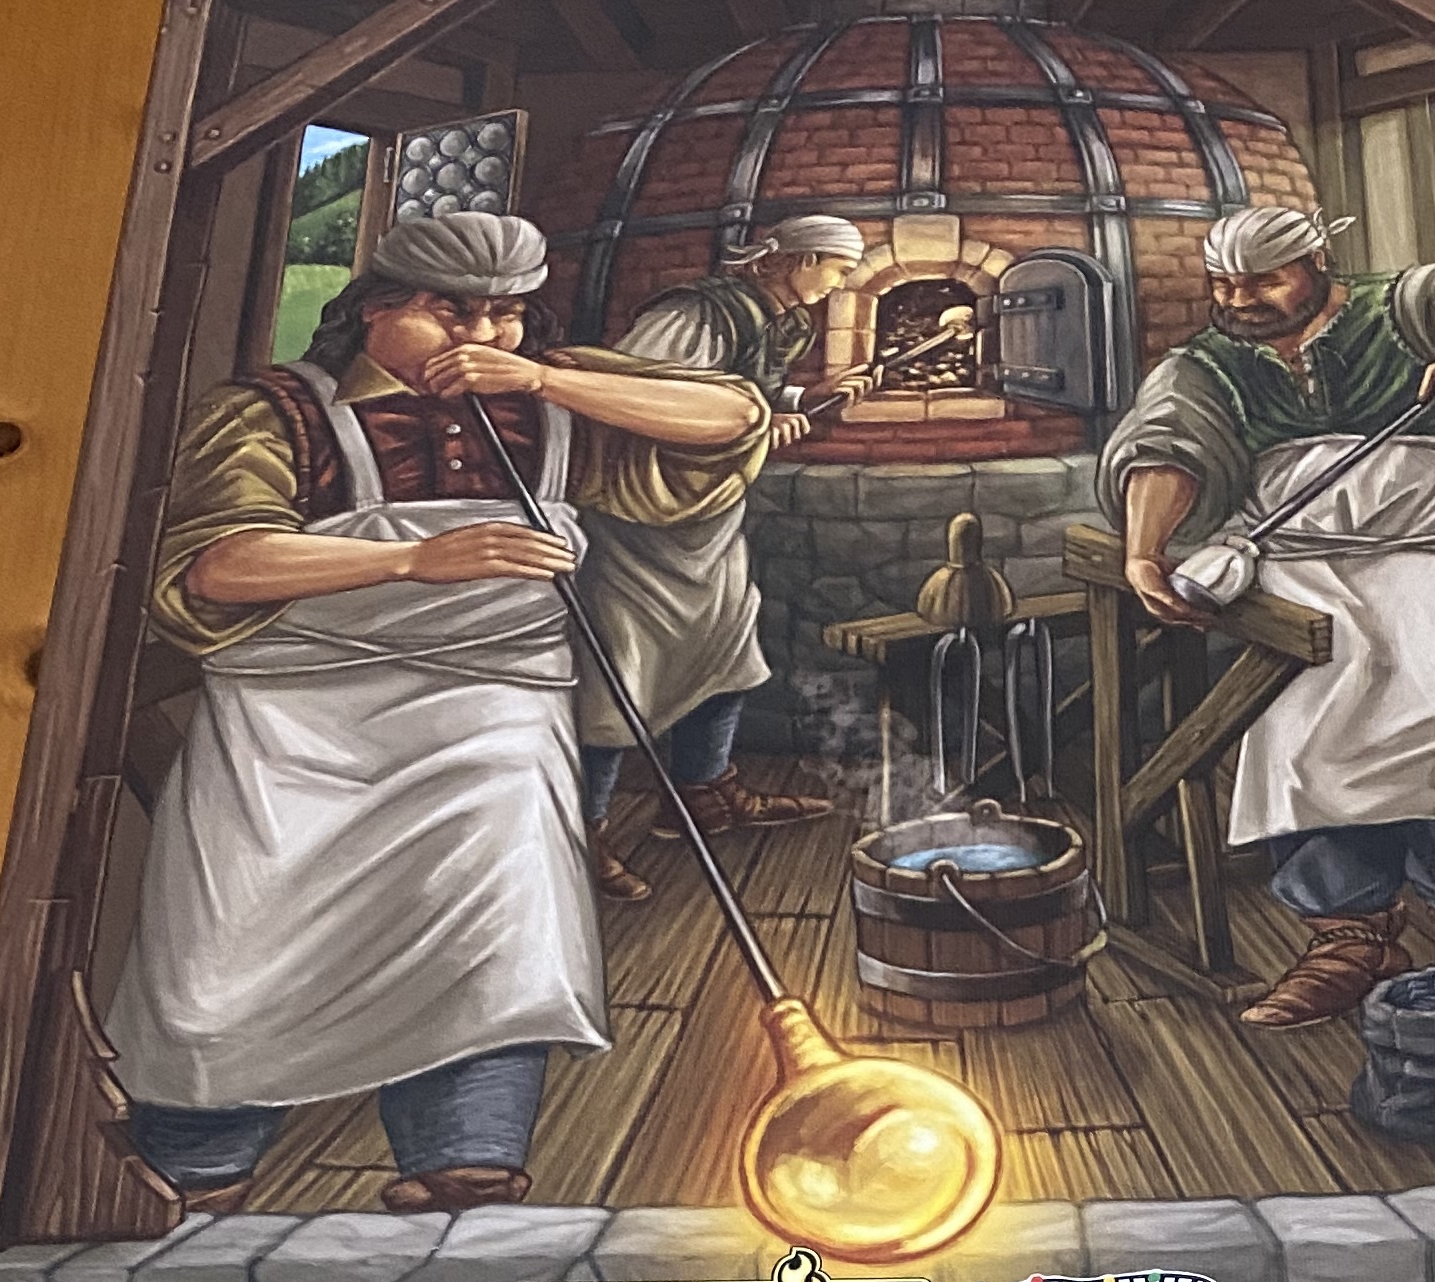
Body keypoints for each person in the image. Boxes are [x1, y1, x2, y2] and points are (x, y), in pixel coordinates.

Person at [100, 210, 768, 1221]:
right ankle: (196, 1176)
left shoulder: (541, 399)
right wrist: (411, 559)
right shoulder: (276, 413)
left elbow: (731, 418)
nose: (484, 337)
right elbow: (217, 565)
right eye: (452, 313)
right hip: (298, 732)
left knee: (495, 941)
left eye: (509, 314)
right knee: (234, 957)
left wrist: (545, 379)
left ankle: (468, 1173)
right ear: (375, 308)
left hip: (496, 718)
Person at [1100, 202, 1435, 1032]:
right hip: (1304, 564)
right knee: (1305, 734)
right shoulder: (1208, 364)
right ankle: (1348, 937)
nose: (1238, 300)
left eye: (1262, 281)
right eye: (1223, 284)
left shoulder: (1405, 308)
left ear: (1317, 263)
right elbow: (1166, 442)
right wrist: (1143, 552)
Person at [574, 216, 871, 900]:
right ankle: (582, 830)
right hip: (641, 512)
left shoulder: (780, 320)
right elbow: (636, 397)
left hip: (706, 511)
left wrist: (801, 401)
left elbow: (743, 390)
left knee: (726, 645)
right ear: (799, 259)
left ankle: (703, 792)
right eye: (835, 268)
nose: (838, 284)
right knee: (616, 671)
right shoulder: (695, 314)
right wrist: (759, 424)